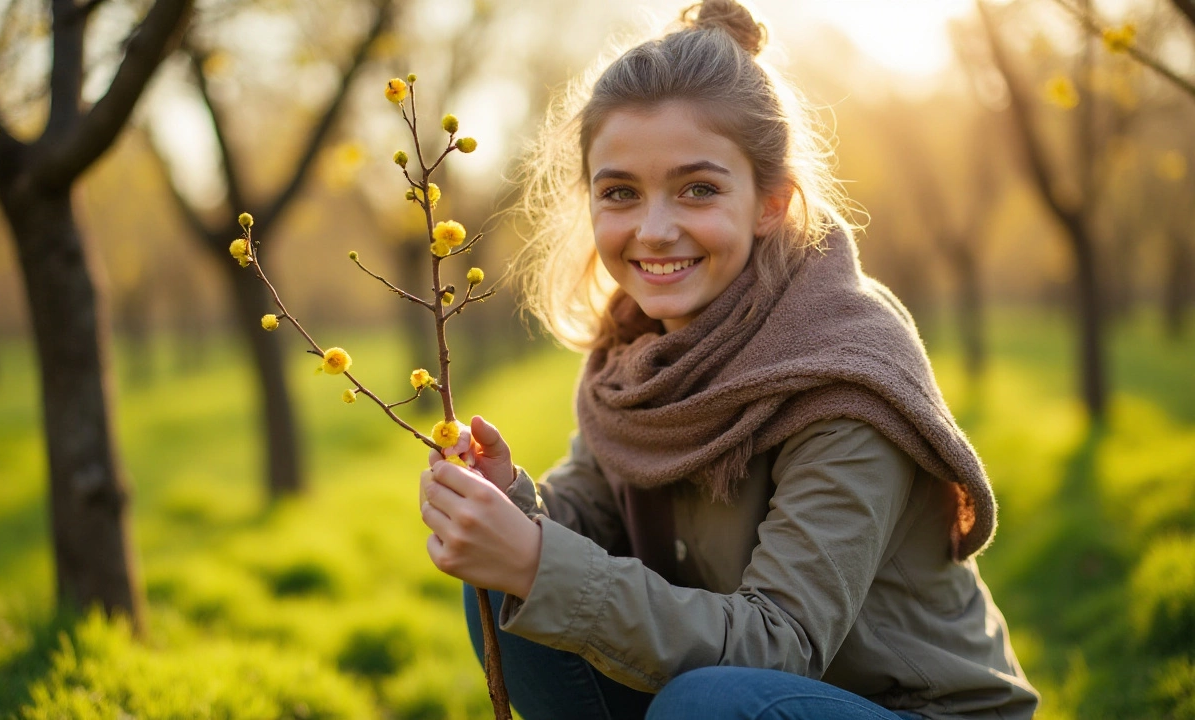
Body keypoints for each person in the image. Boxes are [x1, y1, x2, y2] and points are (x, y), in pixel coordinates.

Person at [417, 1, 1040, 718]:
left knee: (705, 700)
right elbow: (586, 517)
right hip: (736, 695)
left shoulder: (845, 374)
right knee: (505, 588)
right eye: (620, 192)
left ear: (770, 202)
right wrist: (510, 505)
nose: (654, 230)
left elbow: (778, 645)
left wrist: (534, 559)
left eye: (698, 189)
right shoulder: (643, 355)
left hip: (903, 709)